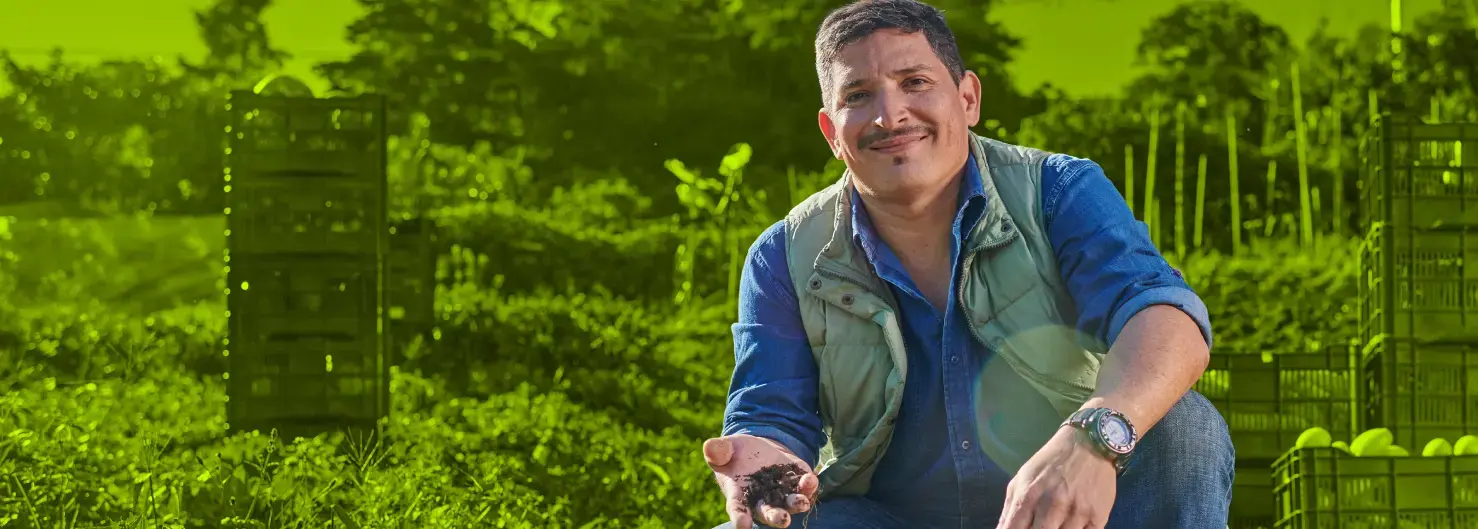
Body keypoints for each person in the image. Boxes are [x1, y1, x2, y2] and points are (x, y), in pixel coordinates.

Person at [700, 1, 1234, 528]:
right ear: (831, 132)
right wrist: (764, 463)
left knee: (1184, 430)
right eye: (859, 96)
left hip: (1068, 505)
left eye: (915, 82)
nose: (890, 116)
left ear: (968, 97)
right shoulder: (783, 254)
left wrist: (1092, 437)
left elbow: (1164, 316)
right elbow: (770, 412)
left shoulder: (1059, 192)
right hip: (886, 517)